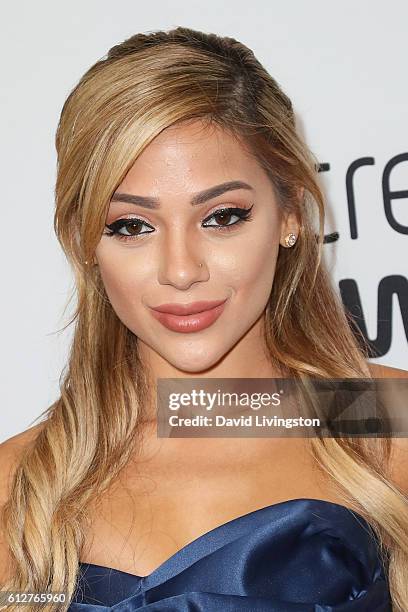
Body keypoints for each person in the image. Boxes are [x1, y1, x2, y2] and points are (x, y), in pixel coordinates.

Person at [0, 26, 407, 612]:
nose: (182, 270)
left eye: (222, 216)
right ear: (84, 240)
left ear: (290, 211)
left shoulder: (384, 422)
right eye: (131, 225)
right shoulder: (25, 484)